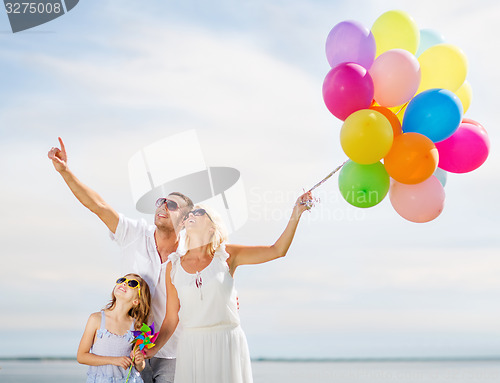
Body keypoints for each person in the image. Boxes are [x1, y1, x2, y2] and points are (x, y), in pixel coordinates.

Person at [48, 138, 194, 383]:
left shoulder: (191, 256)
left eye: (172, 205)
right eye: (161, 201)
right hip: (130, 350)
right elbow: (98, 205)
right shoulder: (133, 234)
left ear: (186, 220)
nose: (162, 207)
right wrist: (65, 171)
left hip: (176, 353)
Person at [147, 192, 313, 383]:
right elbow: (170, 318)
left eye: (199, 212)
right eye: (189, 214)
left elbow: (277, 250)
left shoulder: (227, 255)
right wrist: (153, 349)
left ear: (211, 227)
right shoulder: (173, 266)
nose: (191, 215)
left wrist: (296, 212)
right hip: (191, 347)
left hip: (227, 342)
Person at [77, 273, 151, 383]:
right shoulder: (96, 319)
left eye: (132, 283)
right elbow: (81, 356)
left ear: (136, 301)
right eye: (122, 280)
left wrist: (140, 361)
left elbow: (139, 367)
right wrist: (113, 360)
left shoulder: (137, 326)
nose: (124, 284)